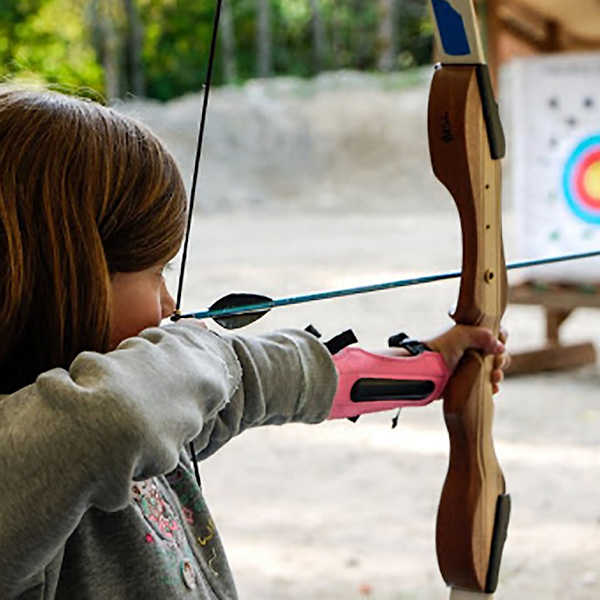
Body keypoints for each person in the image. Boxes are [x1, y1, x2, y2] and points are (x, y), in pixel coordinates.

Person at [0, 87, 508, 599]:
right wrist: (209, 350)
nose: (170, 305)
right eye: (155, 272)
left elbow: (263, 383)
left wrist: (427, 370)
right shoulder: (39, 453)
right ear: (65, 276)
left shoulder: (156, 405)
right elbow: (120, 416)